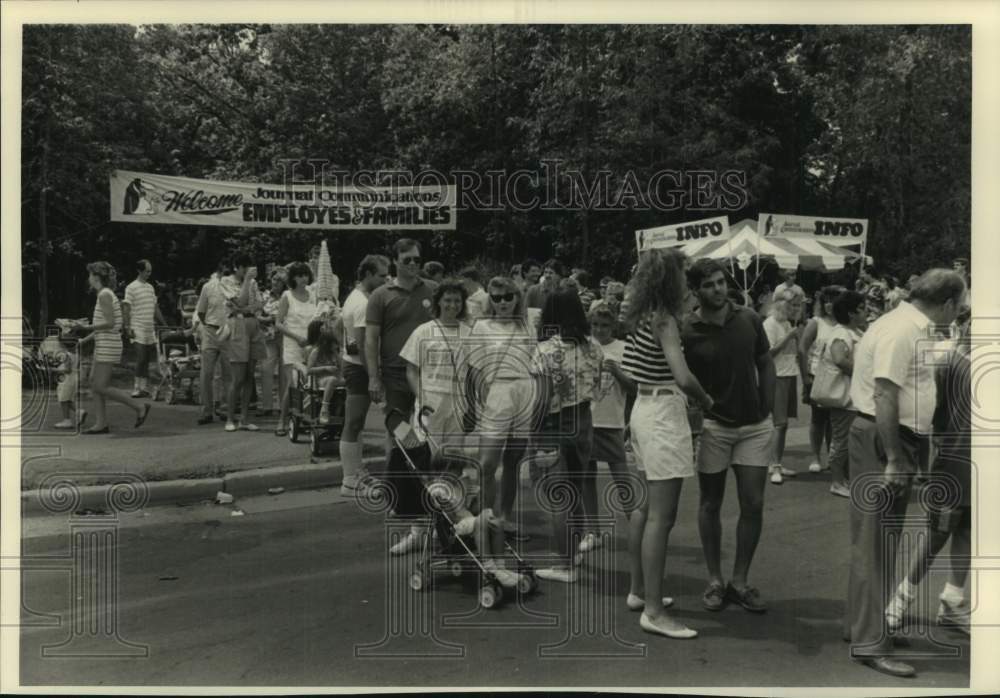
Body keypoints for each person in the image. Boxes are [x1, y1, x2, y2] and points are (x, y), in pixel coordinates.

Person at [844, 268, 966, 679]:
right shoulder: (904, 330)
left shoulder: (906, 324)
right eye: (958, 308)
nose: (958, 315)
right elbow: (883, 392)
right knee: (876, 545)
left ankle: (863, 627)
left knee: (877, 541)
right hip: (885, 440)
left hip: (893, 439)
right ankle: (870, 644)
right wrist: (895, 458)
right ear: (947, 303)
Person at [622, 249, 714, 639]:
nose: (687, 282)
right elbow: (682, 375)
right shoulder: (666, 321)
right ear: (670, 280)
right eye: (683, 275)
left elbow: (630, 369)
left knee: (645, 510)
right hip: (662, 414)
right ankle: (655, 612)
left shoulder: (644, 313)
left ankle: (640, 591)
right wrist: (707, 400)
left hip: (643, 407)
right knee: (662, 515)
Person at [681, 258, 776, 614]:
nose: (718, 289)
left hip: (754, 427)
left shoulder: (749, 318)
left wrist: (769, 403)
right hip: (713, 427)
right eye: (708, 285)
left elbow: (764, 359)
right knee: (710, 503)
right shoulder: (686, 329)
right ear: (695, 291)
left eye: (721, 282)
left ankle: (740, 580)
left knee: (753, 502)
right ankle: (715, 580)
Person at [884, 319, 972, 637]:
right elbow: (927, 413)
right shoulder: (948, 363)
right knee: (938, 535)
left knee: (969, 531)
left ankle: (952, 601)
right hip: (953, 464)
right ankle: (900, 601)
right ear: (965, 326)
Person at [365, 239, 438, 555]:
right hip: (395, 380)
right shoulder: (381, 295)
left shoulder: (433, 290)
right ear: (394, 262)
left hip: (430, 379)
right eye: (407, 260)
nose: (413, 265)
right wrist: (373, 376)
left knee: (432, 447)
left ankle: (436, 520)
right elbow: (370, 339)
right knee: (402, 445)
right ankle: (409, 515)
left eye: (417, 260)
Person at [530, 289, 603, 584]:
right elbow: (597, 386)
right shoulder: (593, 346)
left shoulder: (545, 350)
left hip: (554, 424)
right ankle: (572, 552)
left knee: (558, 497)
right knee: (575, 489)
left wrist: (533, 434)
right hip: (584, 419)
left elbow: (541, 399)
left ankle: (565, 564)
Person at [466, 276, 538, 546]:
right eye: (497, 298)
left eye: (509, 296)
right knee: (487, 463)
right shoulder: (482, 326)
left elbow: (535, 363)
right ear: (490, 301)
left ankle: (505, 518)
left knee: (514, 460)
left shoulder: (527, 326)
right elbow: (473, 369)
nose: (503, 302)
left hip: (524, 392)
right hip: (496, 392)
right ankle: (485, 519)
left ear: (517, 297)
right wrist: (475, 402)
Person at [337, 254, 389, 497]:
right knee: (354, 422)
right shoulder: (361, 303)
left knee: (357, 423)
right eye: (381, 275)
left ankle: (355, 471)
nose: (386, 279)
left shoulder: (362, 297)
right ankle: (349, 479)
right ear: (368, 275)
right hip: (359, 368)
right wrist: (373, 377)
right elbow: (361, 343)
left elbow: (342, 331)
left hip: (358, 366)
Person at [77, 261, 151, 434]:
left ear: (96, 277)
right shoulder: (105, 294)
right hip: (104, 342)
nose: (88, 278)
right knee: (95, 383)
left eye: (90, 275)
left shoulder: (104, 295)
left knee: (100, 386)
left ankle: (139, 407)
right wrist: (84, 340)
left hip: (109, 344)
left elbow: (110, 324)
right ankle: (101, 423)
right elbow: (103, 325)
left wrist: (84, 327)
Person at [586, 304, 636, 526]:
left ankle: (634, 523)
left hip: (611, 420)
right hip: (586, 420)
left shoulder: (625, 348)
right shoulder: (584, 346)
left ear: (614, 326)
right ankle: (592, 530)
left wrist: (617, 371)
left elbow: (633, 388)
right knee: (586, 476)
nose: (599, 330)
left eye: (605, 326)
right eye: (595, 325)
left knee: (621, 476)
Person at [815, 290, 868, 497]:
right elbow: (839, 359)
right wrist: (862, 373)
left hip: (854, 396)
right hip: (844, 396)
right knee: (841, 439)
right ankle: (837, 481)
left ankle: (845, 478)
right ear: (851, 313)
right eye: (862, 309)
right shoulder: (841, 333)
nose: (866, 312)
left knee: (849, 440)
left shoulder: (856, 332)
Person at [798, 285, 842, 474]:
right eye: (827, 301)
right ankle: (816, 456)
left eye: (835, 301)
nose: (831, 305)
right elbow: (802, 348)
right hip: (818, 375)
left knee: (835, 420)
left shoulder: (844, 323)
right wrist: (805, 376)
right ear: (823, 304)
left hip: (839, 376)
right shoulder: (816, 322)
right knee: (818, 419)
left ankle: (832, 456)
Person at [222, 253, 267, 432]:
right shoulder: (226, 281)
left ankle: (245, 419)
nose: (247, 271)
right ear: (236, 267)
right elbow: (238, 301)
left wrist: (245, 307)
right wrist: (247, 282)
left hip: (253, 324)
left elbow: (259, 304)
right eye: (244, 268)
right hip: (238, 324)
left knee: (250, 375)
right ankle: (230, 418)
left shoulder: (254, 283)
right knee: (238, 377)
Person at [764, 290, 801, 485]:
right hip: (777, 376)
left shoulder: (786, 324)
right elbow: (769, 353)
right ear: (778, 304)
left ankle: (776, 462)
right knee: (779, 423)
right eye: (790, 305)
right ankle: (775, 465)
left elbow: (793, 352)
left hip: (789, 373)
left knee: (784, 423)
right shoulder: (769, 324)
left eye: (796, 305)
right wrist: (789, 337)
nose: (794, 309)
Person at [275, 262, 317, 436]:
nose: (303, 279)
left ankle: (305, 418)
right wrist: (297, 337)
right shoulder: (287, 296)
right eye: (299, 276)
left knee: (311, 383)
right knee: (292, 383)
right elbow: (278, 323)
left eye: (305, 275)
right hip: (293, 343)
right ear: (292, 278)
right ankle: (282, 420)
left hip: (311, 343)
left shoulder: (313, 295)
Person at [195, 259, 233, 425]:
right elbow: (201, 311)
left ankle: (225, 408)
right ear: (218, 272)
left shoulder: (233, 288)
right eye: (224, 272)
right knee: (207, 373)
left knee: (228, 374)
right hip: (210, 330)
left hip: (228, 331)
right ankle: (206, 410)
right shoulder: (208, 287)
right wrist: (208, 326)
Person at [122, 259, 166, 398]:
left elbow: (155, 308)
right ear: (139, 271)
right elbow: (126, 308)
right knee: (141, 357)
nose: (149, 274)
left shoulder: (150, 288)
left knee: (146, 358)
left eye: (150, 271)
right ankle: (136, 387)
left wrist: (164, 324)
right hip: (137, 326)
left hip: (149, 328)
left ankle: (144, 387)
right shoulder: (131, 287)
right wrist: (127, 327)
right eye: (147, 271)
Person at [257, 268, 288, 418]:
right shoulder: (265, 297)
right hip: (268, 336)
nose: (275, 283)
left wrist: (269, 318)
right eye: (274, 280)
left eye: (279, 281)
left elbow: (284, 317)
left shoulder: (288, 297)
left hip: (284, 336)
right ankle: (267, 406)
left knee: (284, 371)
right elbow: (258, 314)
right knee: (266, 369)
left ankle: (284, 406)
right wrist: (267, 320)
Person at [52, 332, 86, 429]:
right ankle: (79, 412)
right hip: (74, 378)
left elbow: (67, 370)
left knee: (63, 400)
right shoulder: (75, 354)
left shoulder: (66, 355)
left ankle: (67, 420)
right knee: (67, 400)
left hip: (67, 379)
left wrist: (54, 370)